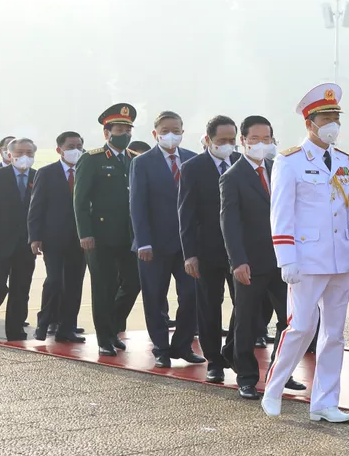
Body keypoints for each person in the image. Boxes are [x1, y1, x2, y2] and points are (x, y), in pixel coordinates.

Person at [261, 83, 349, 423]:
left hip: (339, 259)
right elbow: (281, 213)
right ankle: (274, 388)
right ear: (310, 123)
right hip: (306, 260)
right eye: (326, 117)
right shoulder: (290, 161)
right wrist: (286, 258)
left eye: (336, 116)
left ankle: (324, 401)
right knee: (301, 327)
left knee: (334, 334)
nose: (333, 123)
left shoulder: (344, 161)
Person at [220, 115, 305, 400]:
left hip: (281, 260)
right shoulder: (232, 177)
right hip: (250, 262)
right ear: (242, 141)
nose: (261, 144)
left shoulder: (278, 168)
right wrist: (237, 262)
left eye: (266, 139)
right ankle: (246, 376)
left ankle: (281, 372)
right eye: (254, 139)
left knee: (289, 319)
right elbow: (229, 224)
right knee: (247, 320)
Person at [129, 111, 201, 367]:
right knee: (155, 297)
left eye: (177, 129)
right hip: (154, 245)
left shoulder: (193, 160)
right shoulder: (142, 163)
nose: (172, 134)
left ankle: (182, 345)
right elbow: (137, 205)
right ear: (155, 133)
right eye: (166, 130)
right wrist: (143, 241)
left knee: (191, 296)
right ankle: (161, 348)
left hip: (187, 246)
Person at [74, 105, 141, 357]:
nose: (124, 134)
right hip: (100, 235)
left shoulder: (134, 159)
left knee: (133, 283)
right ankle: (104, 338)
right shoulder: (92, 159)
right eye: (119, 130)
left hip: (129, 235)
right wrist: (85, 233)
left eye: (127, 130)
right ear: (107, 133)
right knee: (103, 287)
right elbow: (80, 201)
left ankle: (112, 326)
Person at [179, 115, 242, 382]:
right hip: (207, 250)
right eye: (221, 141)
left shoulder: (242, 163)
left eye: (231, 140)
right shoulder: (193, 168)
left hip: (239, 250)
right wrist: (189, 254)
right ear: (208, 140)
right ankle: (214, 359)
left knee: (246, 305)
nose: (227, 145)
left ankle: (233, 351)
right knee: (209, 306)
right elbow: (186, 213)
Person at [28, 131, 88, 343]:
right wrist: (35, 237)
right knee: (54, 281)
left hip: (81, 239)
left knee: (74, 283)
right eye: (71, 146)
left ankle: (67, 327)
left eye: (79, 146)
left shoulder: (87, 171)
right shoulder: (46, 172)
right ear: (59, 149)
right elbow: (36, 208)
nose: (76, 150)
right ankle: (43, 323)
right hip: (54, 238)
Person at [0, 138, 39, 341]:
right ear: (10, 155)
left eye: (29, 153)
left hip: (26, 245)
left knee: (21, 289)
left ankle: (15, 332)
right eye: (20, 152)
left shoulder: (37, 176)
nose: (24, 156)